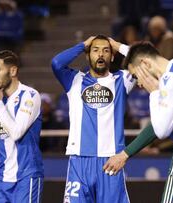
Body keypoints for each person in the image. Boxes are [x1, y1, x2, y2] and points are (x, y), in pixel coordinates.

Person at [103, 23, 173, 203]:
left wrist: (154, 93)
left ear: (145, 64)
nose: (139, 83)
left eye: (136, 75)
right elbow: (145, 55)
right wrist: (121, 48)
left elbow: (161, 130)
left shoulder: (171, 81)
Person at [51, 35, 134, 203]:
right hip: (80, 160)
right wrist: (83, 45)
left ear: (112, 56)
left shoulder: (123, 80)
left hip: (111, 160)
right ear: (88, 56)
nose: (101, 55)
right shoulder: (74, 80)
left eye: (105, 51)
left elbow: (146, 61)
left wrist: (118, 45)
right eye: (95, 50)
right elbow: (56, 63)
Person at [0, 50, 44, 203]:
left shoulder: (29, 95)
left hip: (26, 176)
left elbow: (16, 132)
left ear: (13, 71)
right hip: (1, 178)